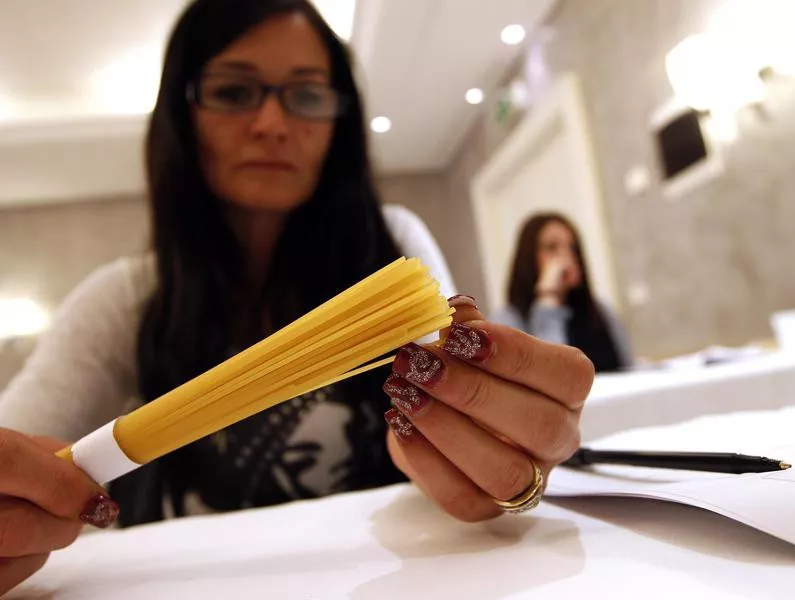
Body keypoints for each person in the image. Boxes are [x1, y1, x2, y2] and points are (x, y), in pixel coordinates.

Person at [0, 0, 593, 592]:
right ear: (183, 116)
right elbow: (19, 446)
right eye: (235, 93)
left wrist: (478, 445)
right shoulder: (122, 302)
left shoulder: (394, 250)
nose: (273, 124)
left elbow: (454, 402)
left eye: (306, 95)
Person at [492, 213, 633, 372]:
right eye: (551, 247)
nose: (566, 256)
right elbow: (553, 376)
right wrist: (549, 298)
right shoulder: (508, 319)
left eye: (572, 248)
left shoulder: (601, 311)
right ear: (529, 257)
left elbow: (628, 368)